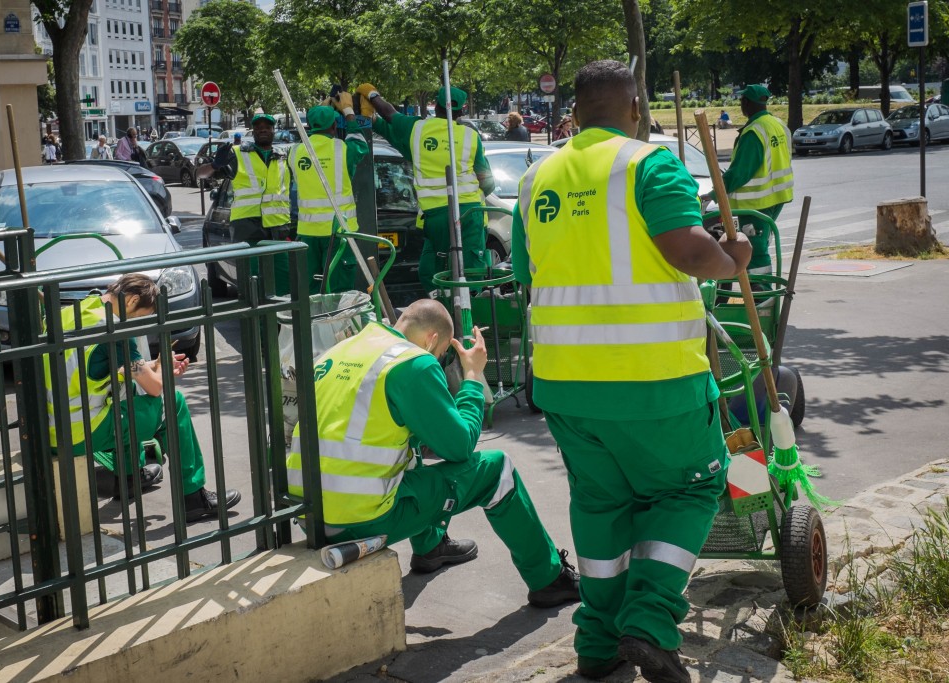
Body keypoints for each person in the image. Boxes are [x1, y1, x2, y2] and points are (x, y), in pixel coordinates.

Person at [513, 60, 752, 682]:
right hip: (655, 382)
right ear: (636, 108)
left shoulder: (535, 178)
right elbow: (691, 253)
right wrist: (735, 258)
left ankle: (596, 644)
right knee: (690, 488)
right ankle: (649, 621)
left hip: (566, 386)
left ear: (575, 111)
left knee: (601, 506)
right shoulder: (650, 164)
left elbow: (524, 274)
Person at [286, 299, 581, 608]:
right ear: (432, 339)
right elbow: (460, 446)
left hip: (310, 514)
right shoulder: (412, 363)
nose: (438, 361)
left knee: (404, 444)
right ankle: (549, 579)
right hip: (358, 520)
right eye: (441, 356)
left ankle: (430, 546)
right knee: (497, 470)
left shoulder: (339, 351)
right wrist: (472, 376)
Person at [43, 274, 241, 522]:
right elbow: (156, 388)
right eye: (142, 316)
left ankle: (130, 479)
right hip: (81, 433)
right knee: (173, 403)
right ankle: (193, 496)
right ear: (132, 300)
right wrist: (162, 368)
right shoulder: (114, 331)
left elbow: (109, 368)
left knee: (126, 398)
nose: (140, 324)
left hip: (52, 429)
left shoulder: (78, 310)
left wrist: (150, 366)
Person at [359, 83, 496, 291]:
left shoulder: (417, 130)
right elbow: (487, 182)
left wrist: (371, 97)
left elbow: (391, 116)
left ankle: (440, 308)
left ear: (437, 105)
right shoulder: (469, 136)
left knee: (432, 271)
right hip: (469, 213)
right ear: (461, 110)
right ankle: (468, 314)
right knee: (470, 272)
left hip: (435, 215)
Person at [703, 85, 793, 278]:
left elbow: (739, 173)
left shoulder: (754, 132)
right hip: (776, 197)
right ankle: (761, 297)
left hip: (755, 202)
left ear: (747, 103)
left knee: (755, 250)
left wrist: (713, 195)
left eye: (742, 101)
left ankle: (762, 298)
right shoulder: (777, 124)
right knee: (758, 245)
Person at [198, 113, 293, 295]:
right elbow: (200, 174)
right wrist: (216, 165)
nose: (263, 130)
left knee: (282, 287)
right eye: (258, 128)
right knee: (254, 287)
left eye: (267, 127)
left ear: (273, 130)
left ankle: (278, 323)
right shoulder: (238, 155)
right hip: (248, 230)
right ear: (253, 132)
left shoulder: (283, 156)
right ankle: (257, 323)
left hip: (278, 230)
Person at [287, 98, 368, 293]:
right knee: (339, 290)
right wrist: (348, 111)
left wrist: (321, 111)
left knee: (312, 292)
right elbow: (360, 142)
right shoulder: (342, 148)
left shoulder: (295, 152)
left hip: (308, 233)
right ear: (334, 125)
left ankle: (315, 324)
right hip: (339, 231)